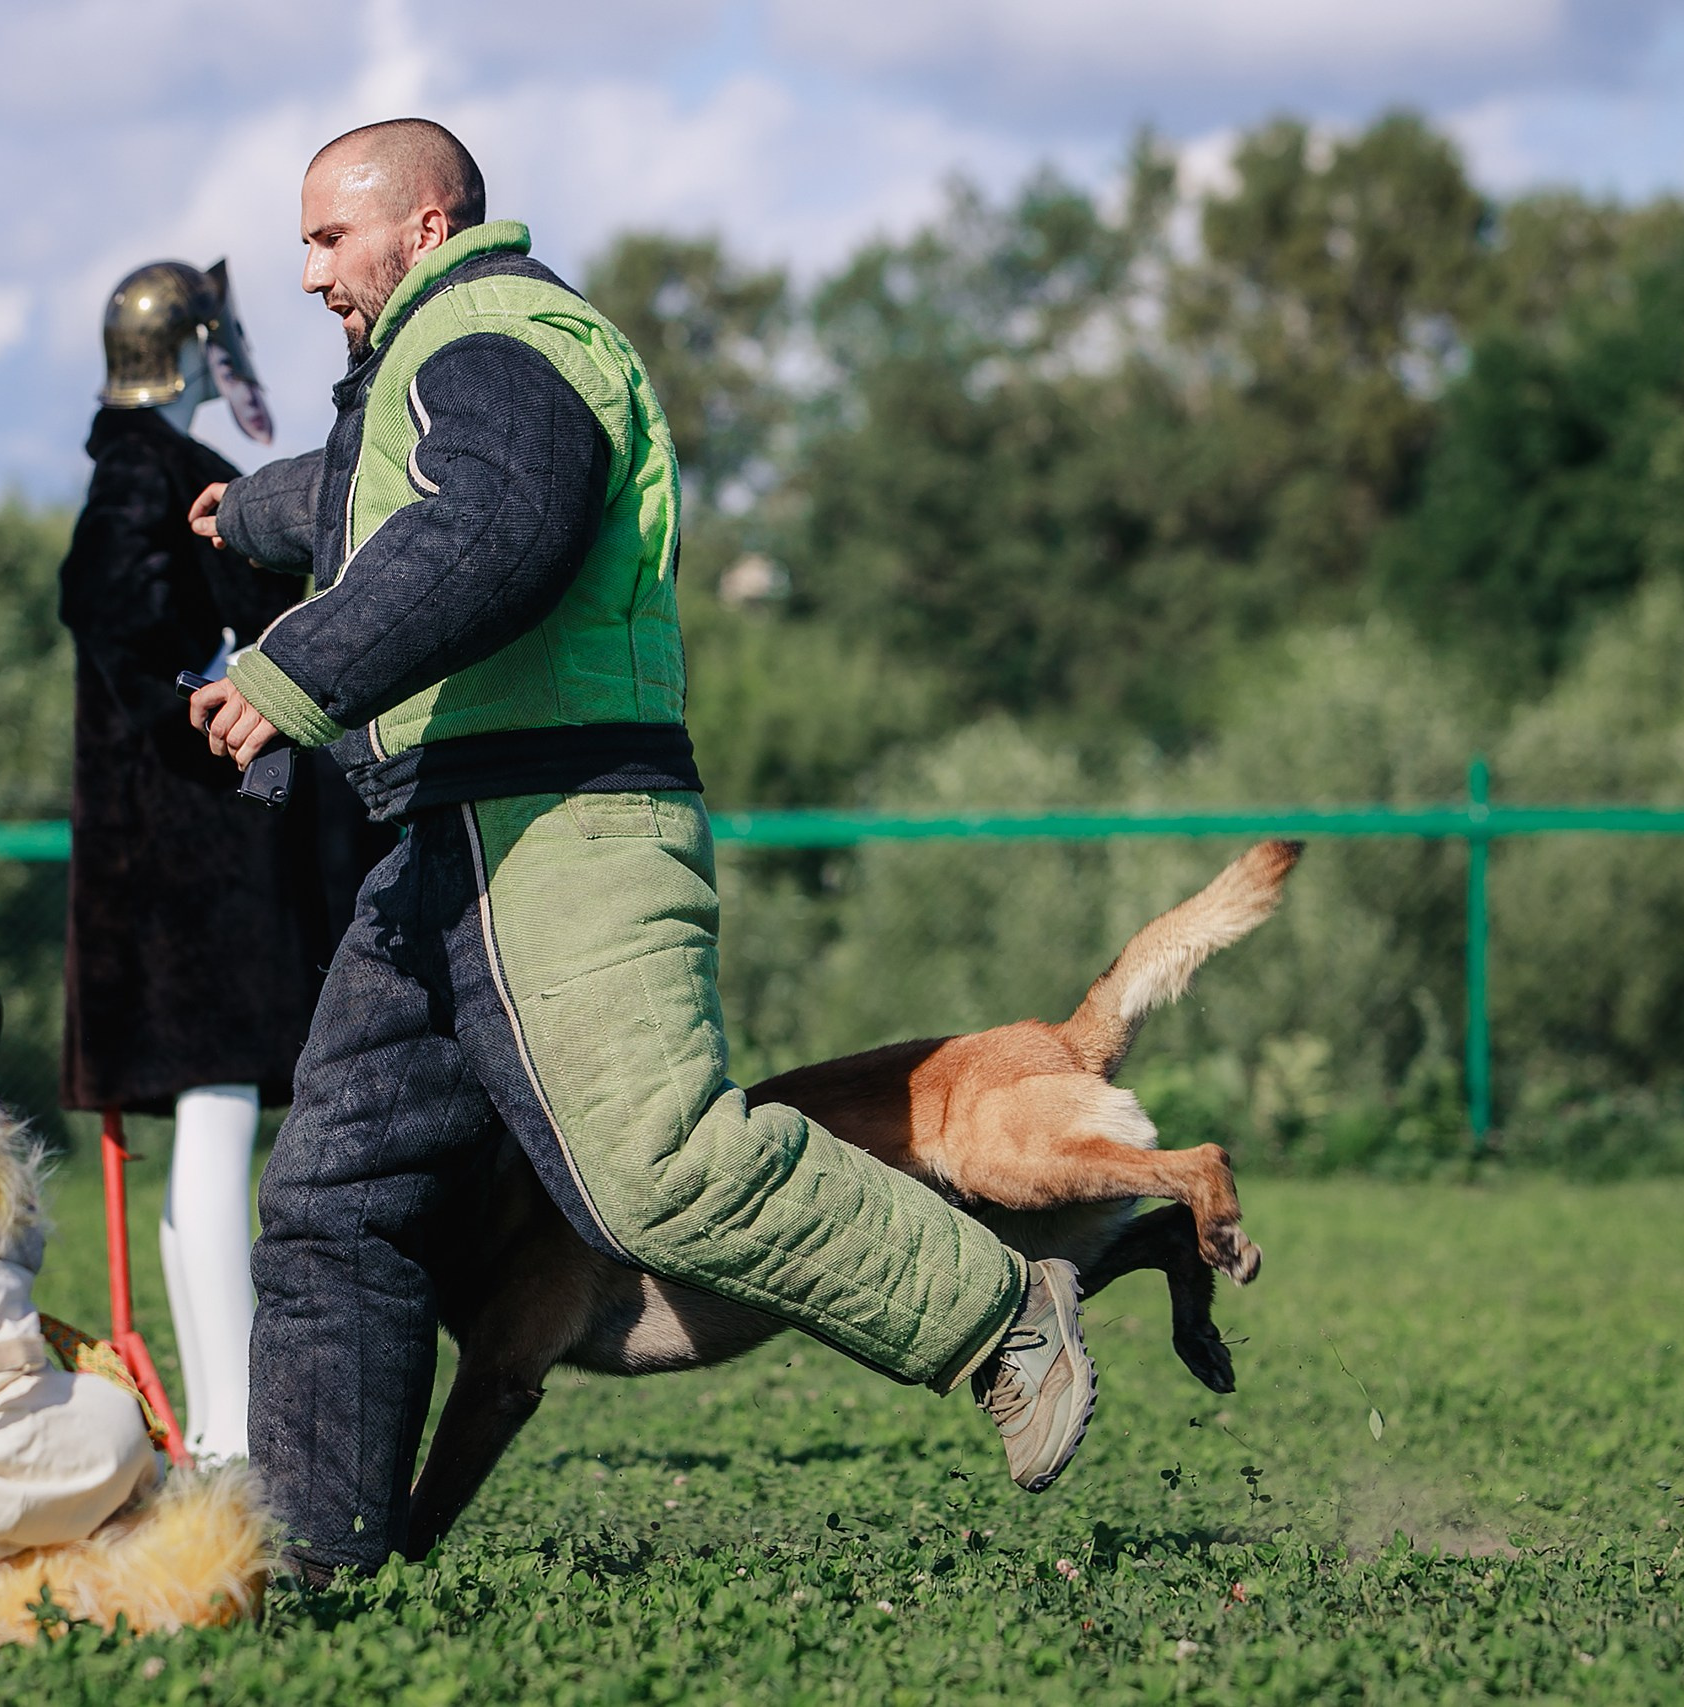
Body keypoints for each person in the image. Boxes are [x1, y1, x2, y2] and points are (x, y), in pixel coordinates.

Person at [184, 118, 1093, 1582]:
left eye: (328, 239)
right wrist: (256, 512)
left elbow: (501, 518)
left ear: (424, 227)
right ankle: (312, 1552)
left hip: (564, 821)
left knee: (655, 1170)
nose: (306, 274)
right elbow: (380, 495)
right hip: (446, 843)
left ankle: (997, 1313)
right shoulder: (435, 365)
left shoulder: (498, 333)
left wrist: (296, 667)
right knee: (336, 1195)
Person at [57, 259, 385, 1463]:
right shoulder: (142, 478)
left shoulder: (155, 470)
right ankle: (237, 1427)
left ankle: (219, 1417)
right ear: (192, 347)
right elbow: (112, 613)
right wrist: (210, 694)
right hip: (194, 864)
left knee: (214, 1120)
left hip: (191, 853)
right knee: (216, 1114)